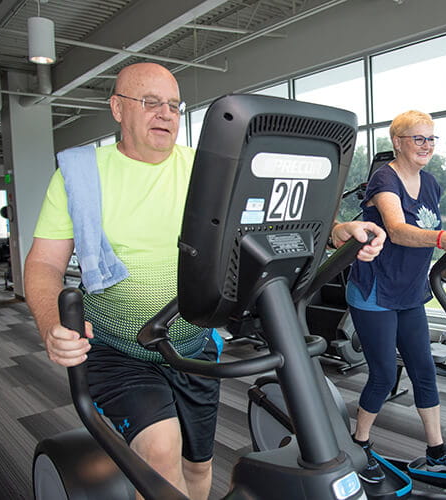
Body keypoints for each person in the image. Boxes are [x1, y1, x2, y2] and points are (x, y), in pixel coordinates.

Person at [24, 62, 385, 500]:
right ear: (117, 108)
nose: (165, 113)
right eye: (150, 102)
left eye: (174, 105)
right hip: (120, 349)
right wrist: (50, 323)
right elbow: (43, 264)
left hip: (193, 346)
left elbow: (271, 222)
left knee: (199, 469)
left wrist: (335, 232)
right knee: (160, 455)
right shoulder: (79, 176)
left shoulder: (206, 170)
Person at [346, 110, 446, 483]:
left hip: (410, 291)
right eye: (418, 138)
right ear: (398, 143)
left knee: (424, 369)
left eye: (431, 138)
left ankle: (436, 450)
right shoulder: (384, 178)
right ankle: (361, 442)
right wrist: (443, 238)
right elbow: (400, 231)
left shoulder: (432, 183)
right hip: (375, 292)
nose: (427, 146)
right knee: (385, 375)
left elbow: (425, 238)